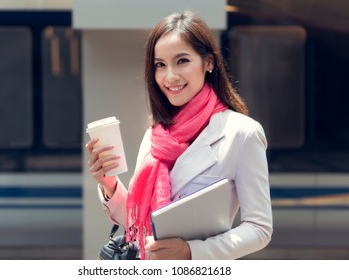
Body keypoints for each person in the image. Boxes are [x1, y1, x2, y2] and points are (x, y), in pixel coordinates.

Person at [86, 11, 273, 260]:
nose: (170, 76)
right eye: (160, 65)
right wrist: (107, 183)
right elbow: (137, 224)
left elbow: (259, 229)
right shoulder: (155, 135)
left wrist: (191, 252)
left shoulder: (242, 133)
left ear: (209, 62)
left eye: (182, 61)